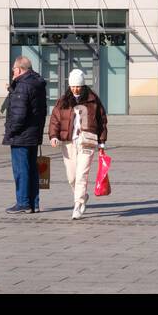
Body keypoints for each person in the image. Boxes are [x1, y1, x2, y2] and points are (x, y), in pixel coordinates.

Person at [47, 69, 108, 220]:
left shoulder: (93, 100)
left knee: (82, 174)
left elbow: (102, 121)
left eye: (78, 86)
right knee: (71, 177)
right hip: (68, 142)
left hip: (87, 141)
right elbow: (55, 119)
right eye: (73, 86)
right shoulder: (63, 101)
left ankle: (78, 204)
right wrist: (53, 136)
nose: (75, 89)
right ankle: (82, 195)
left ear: (83, 85)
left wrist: (102, 141)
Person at [2, 56, 48, 214]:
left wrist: (10, 131)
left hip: (21, 135)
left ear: (19, 69)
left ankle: (23, 203)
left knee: (21, 170)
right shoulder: (37, 83)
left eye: (13, 69)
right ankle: (34, 203)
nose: (12, 72)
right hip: (33, 133)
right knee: (32, 169)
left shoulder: (23, 85)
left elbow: (19, 113)